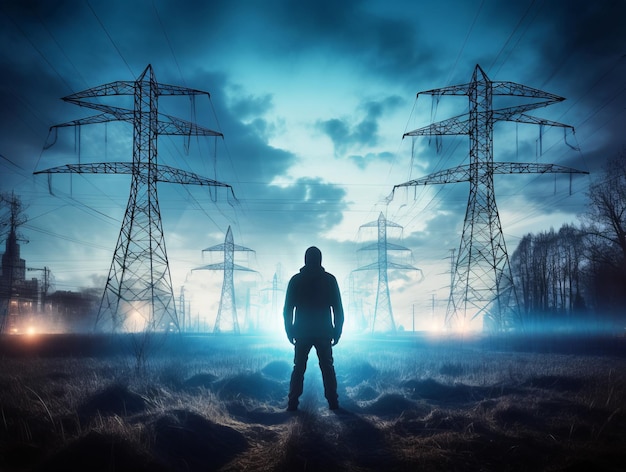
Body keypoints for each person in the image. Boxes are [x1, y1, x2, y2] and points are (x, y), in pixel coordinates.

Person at [283, 246, 344, 411]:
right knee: (327, 367)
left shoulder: (296, 280)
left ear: (305, 259)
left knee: (299, 367)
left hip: (302, 332)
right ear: (320, 259)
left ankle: (292, 403)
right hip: (324, 331)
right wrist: (337, 331)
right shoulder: (330, 280)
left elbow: (287, 309)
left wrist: (289, 330)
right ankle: (333, 403)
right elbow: (338, 309)